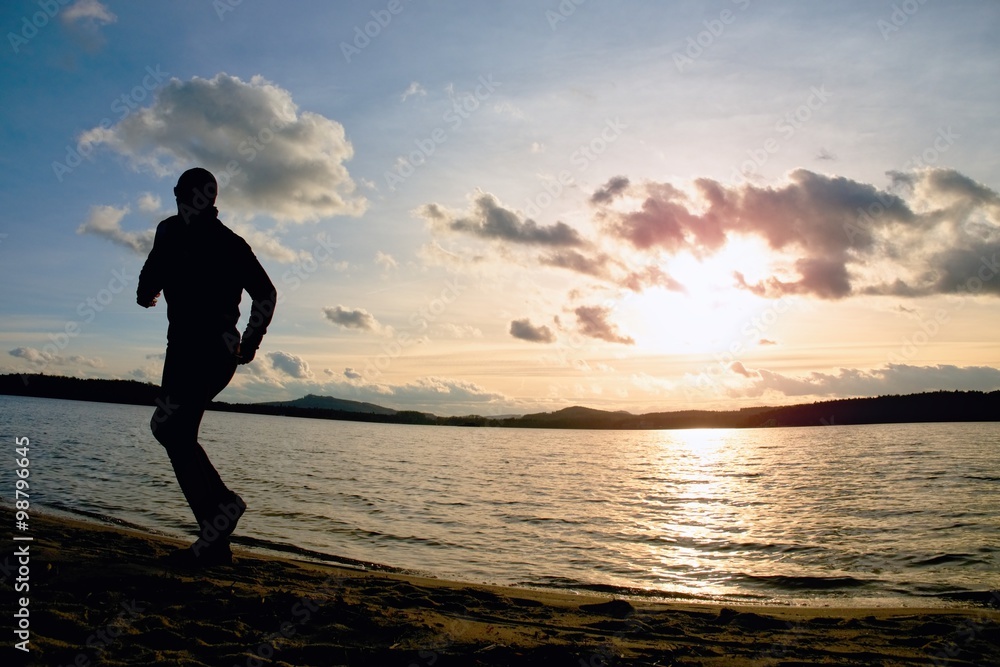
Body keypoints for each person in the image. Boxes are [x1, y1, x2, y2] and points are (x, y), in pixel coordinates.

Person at [137, 167, 276, 567]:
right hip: (194, 352)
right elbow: (153, 270)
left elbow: (265, 292)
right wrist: (147, 291)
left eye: (188, 196)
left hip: (205, 352)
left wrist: (251, 341)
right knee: (176, 432)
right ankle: (216, 535)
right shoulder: (189, 235)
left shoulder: (220, 241)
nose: (185, 203)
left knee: (170, 429)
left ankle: (221, 511)